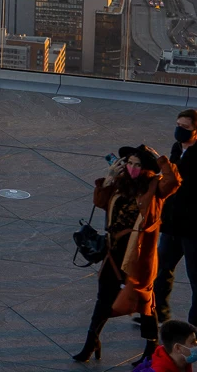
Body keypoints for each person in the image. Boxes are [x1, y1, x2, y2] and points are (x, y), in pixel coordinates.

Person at [77, 144, 181, 362]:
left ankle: (151, 348)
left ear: (146, 167)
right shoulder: (119, 183)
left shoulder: (155, 186)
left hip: (139, 255)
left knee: (144, 303)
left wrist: (160, 160)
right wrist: (109, 176)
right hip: (114, 252)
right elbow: (99, 202)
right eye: (130, 163)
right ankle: (91, 341)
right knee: (103, 298)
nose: (133, 168)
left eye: (138, 164)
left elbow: (174, 181)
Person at [155, 111, 197, 347]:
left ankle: (193, 327)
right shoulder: (176, 146)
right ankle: (159, 315)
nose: (180, 130)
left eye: (185, 126)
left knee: (195, 278)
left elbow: (181, 179)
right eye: (178, 125)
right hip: (171, 224)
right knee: (162, 269)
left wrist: (168, 168)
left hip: (192, 229)